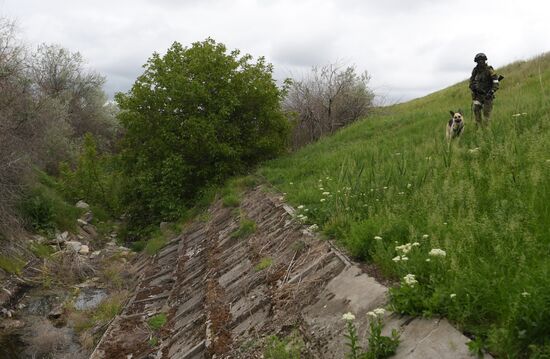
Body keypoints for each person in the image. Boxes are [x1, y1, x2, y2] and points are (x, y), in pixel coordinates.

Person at [469, 53, 500, 126]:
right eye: (478, 60)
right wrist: (473, 87)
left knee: (486, 115)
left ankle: (486, 131)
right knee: (476, 110)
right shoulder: (475, 70)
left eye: (482, 60)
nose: (480, 62)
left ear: (484, 60)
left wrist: (491, 91)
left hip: (487, 96)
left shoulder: (489, 70)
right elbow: (471, 81)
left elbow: (496, 82)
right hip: (478, 96)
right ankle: (478, 129)